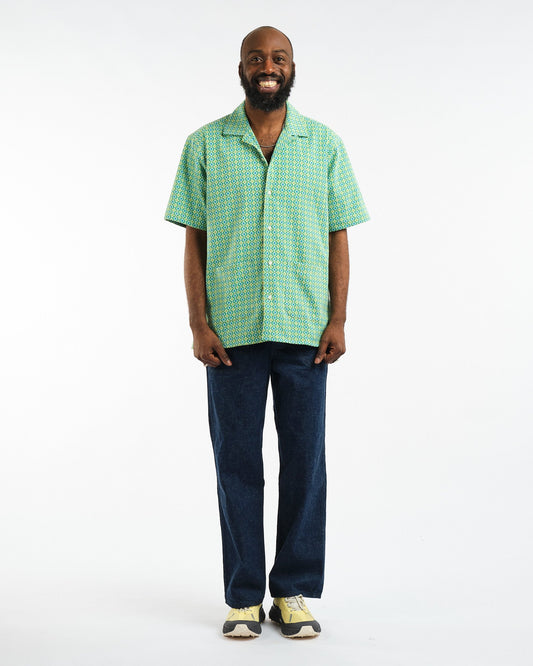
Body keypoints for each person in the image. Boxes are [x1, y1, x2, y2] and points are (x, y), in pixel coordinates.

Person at [165, 25, 370, 639]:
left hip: (307, 330)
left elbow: (338, 234)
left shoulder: (323, 144)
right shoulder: (206, 144)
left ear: (293, 67)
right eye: (256, 58)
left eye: (278, 57)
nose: (268, 66)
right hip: (231, 336)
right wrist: (198, 323)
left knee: (305, 462)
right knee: (236, 463)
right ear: (241, 68)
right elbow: (194, 240)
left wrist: (338, 317)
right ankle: (244, 596)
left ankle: (293, 591)